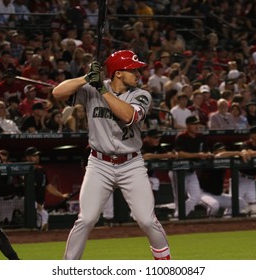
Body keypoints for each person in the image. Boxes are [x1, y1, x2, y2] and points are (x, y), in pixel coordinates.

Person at [52, 50, 171, 260]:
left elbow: (128, 115)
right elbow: (57, 93)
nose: (138, 73)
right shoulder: (91, 88)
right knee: (86, 219)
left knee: (146, 220)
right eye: (133, 69)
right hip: (99, 164)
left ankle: (165, 264)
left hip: (131, 164)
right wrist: (86, 78)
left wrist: (102, 89)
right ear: (118, 73)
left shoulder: (141, 94)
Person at [168, 116, 214, 218]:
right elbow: (180, 154)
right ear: (188, 125)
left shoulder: (200, 137)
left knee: (196, 197)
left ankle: (178, 215)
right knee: (179, 198)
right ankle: (180, 217)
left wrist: (207, 155)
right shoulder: (181, 137)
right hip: (179, 171)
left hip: (191, 171)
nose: (196, 126)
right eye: (194, 124)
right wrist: (198, 155)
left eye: (197, 124)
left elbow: (206, 151)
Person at [24, 147, 69, 231]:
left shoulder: (41, 170)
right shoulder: (23, 170)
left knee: (39, 225)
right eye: (34, 155)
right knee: (44, 216)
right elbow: (23, 189)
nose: (37, 157)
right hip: (28, 203)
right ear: (27, 157)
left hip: (40, 202)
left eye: (37, 155)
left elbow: (48, 186)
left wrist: (61, 195)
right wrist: (32, 202)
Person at [198, 142, 248, 217]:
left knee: (241, 203)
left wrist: (244, 153)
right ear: (214, 152)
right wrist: (239, 152)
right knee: (214, 205)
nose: (224, 151)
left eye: (224, 149)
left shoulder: (225, 162)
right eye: (221, 150)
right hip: (203, 194)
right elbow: (219, 155)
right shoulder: (210, 159)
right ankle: (209, 224)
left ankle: (227, 221)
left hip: (218, 195)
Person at [141, 129, 178, 193]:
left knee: (154, 182)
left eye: (158, 137)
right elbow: (145, 156)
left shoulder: (156, 146)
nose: (157, 139)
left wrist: (172, 154)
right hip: (136, 175)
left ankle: (151, 203)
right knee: (155, 182)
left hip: (148, 175)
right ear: (147, 138)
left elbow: (167, 154)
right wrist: (164, 155)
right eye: (155, 138)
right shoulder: (142, 144)